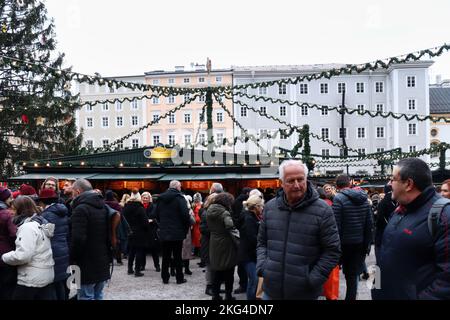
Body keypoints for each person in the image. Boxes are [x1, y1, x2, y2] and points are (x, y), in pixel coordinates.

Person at [257, 160, 341, 300]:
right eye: (291, 181)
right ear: (282, 183)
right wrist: (263, 268)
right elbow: (262, 242)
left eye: (300, 179)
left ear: (306, 179)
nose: (296, 185)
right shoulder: (270, 207)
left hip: (305, 293)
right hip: (271, 291)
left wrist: (312, 278)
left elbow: (333, 250)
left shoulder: (323, 210)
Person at [374, 158, 450, 300]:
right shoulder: (399, 210)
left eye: (393, 179)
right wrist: (375, 288)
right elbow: (385, 256)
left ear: (408, 184)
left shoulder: (444, 215)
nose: (390, 184)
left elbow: (446, 280)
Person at [2, 196, 55, 300]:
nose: (10, 212)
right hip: (44, 274)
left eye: (13, 208)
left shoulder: (27, 227)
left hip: (31, 278)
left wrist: (4, 257)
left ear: (20, 210)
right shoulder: (37, 223)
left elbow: (23, 256)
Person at [332, 174, 373, 300]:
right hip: (359, 242)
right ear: (349, 183)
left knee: (347, 273)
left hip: (344, 243)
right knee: (353, 274)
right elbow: (369, 224)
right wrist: (367, 244)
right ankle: (351, 296)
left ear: (337, 185)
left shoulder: (338, 199)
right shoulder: (363, 198)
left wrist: (334, 246)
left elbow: (336, 225)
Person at [70, 179, 111, 300]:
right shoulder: (103, 207)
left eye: (72, 192)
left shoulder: (80, 209)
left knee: (85, 297)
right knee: (98, 295)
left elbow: (78, 239)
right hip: (102, 260)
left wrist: (72, 258)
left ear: (77, 192)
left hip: (85, 264)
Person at [155, 180, 191, 284]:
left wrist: (162, 225)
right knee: (177, 256)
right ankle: (179, 278)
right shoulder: (179, 198)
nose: (181, 189)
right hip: (177, 232)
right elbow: (185, 215)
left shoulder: (160, 198)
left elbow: (156, 214)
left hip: (164, 231)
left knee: (165, 256)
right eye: (180, 187)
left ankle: (165, 278)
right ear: (177, 187)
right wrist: (185, 228)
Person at [38, 189, 70, 300]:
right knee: (62, 281)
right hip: (64, 249)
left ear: (42, 202)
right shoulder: (63, 212)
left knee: (55, 284)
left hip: (53, 252)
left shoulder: (46, 215)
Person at [206, 192, 238, 300]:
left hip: (213, 242)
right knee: (229, 271)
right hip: (226, 243)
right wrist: (239, 242)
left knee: (216, 270)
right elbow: (231, 228)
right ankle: (228, 296)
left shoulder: (209, 210)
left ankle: (215, 295)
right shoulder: (225, 213)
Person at [238, 195, 264, 300]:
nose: (263, 208)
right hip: (248, 255)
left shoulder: (253, 216)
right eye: (261, 206)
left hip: (251, 254)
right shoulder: (249, 218)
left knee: (255, 280)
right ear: (256, 207)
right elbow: (252, 239)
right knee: (254, 280)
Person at [122, 189, 149, 277]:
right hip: (140, 232)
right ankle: (137, 270)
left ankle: (130, 269)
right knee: (139, 251)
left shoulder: (126, 207)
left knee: (132, 251)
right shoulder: (140, 208)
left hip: (130, 232)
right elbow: (145, 222)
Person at [231, 187, 251, 295]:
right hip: (245, 238)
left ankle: (243, 285)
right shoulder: (248, 209)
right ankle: (250, 285)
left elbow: (235, 221)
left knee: (241, 264)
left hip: (240, 237)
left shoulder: (235, 202)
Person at [0, 187, 17, 300]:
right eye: (9, 197)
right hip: (5, 254)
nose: (11, 199)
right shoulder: (7, 214)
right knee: (7, 286)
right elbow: (13, 235)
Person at [200, 193, 217, 296]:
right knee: (210, 265)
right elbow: (203, 229)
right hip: (209, 242)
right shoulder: (206, 213)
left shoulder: (211, 211)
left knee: (214, 265)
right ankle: (209, 286)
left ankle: (215, 285)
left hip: (213, 242)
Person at [191, 193, 202, 258]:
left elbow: (197, 219)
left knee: (197, 239)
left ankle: (198, 253)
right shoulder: (201, 205)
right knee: (197, 239)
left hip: (196, 225)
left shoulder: (195, 206)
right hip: (197, 225)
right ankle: (197, 252)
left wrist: (192, 219)